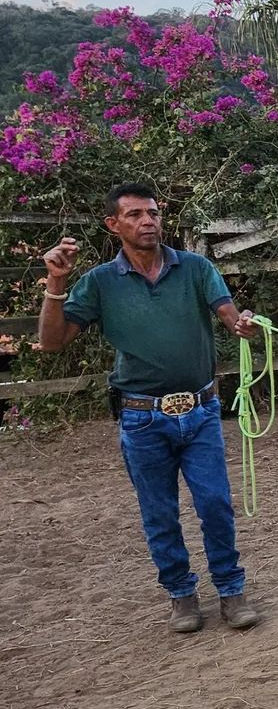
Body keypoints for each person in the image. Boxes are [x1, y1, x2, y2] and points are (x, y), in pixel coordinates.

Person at [38, 182, 263, 633]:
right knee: (158, 512)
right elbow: (51, 342)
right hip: (142, 417)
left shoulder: (196, 268)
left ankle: (230, 590)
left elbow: (228, 315)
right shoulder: (99, 282)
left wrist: (243, 326)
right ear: (113, 224)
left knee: (215, 503)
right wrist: (57, 283)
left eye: (154, 214)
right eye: (136, 214)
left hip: (200, 411)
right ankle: (181, 596)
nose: (148, 222)